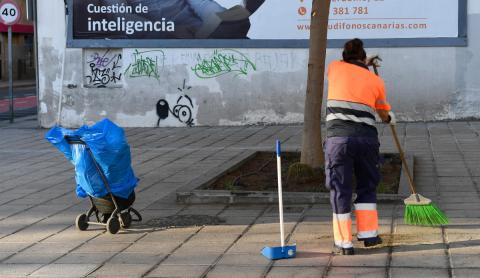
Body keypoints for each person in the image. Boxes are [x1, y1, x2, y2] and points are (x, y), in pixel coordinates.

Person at [324, 38, 396, 255]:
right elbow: (383, 114)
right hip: (366, 141)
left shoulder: (334, 68)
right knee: (367, 185)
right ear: (364, 58)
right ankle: (368, 235)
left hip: (339, 141)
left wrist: (364, 61)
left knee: (340, 189)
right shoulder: (376, 81)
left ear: (345, 56)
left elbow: (348, 67)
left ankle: (344, 242)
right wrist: (389, 118)